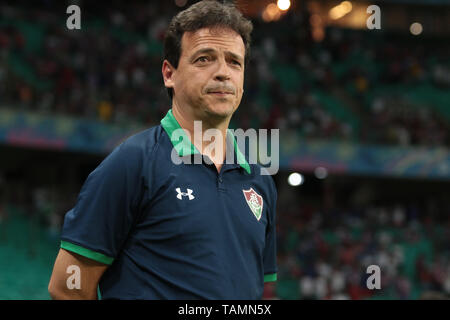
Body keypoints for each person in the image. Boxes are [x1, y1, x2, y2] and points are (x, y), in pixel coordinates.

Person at [48, 0, 277, 300]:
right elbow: (68, 288)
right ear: (169, 74)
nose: (223, 72)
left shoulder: (260, 180)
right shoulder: (133, 162)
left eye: (234, 61)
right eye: (204, 59)